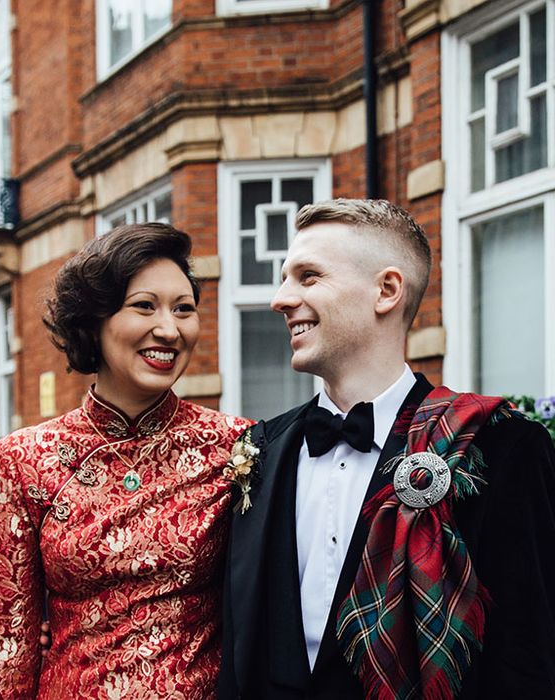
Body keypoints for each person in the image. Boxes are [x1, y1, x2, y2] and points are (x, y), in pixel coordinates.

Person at [218, 199, 555, 699]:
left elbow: (528, 657)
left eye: (308, 277)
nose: (280, 299)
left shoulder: (501, 446)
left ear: (386, 291)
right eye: (284, 278)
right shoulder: (260, 450)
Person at [0, 223, 251, 699]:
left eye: (184, 309)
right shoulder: (23, 460)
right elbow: (2, 646)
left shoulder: (237, 446)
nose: (169, 328)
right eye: (144, 306)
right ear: (94, 320)